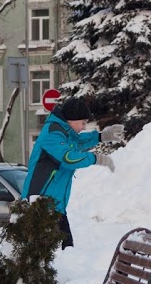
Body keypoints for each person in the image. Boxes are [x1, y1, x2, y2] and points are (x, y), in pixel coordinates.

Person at [20, 97, 123, 248]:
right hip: (39, 204)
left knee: (65, 251)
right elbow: (68, 158)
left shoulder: (65, 133)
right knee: (48, 252)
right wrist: (96, 159)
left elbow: (79, 141)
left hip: (55, 206)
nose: (83, 127)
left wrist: (101, 136)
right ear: (72, 120)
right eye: (82, 122)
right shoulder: (53, 134)